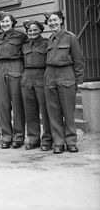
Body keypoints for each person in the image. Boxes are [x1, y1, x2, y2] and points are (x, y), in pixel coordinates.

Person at [44, 11, 85, 154]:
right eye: (49, 21)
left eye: (55, 20)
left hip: (66, 74)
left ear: (61, 21)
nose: (52, 23)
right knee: (54, 112)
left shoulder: (70, 37)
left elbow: (78, 61)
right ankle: (58, 142)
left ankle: (71, 141)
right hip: (50, 75)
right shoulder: (49, 39)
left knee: (68, 111)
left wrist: (79, 81)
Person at [0, 11, 27, 149]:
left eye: (7, 21)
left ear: (12, 22)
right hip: (0, 67)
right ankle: (6, 136)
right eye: (2, 22)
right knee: (2, 104)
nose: (5, 24)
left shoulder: (21, 36)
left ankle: (18, 136)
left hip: (16, 66)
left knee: (17, 104)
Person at [21, 20, 53, 151]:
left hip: (41, 76)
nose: (32, 32)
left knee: (44, 109)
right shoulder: (24, 45)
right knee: (30, 110)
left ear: (40, 30)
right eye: (30, 30)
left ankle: (47, 139)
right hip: (27, 77)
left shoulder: (46, 43)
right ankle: (33, 139)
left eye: (35, 30)